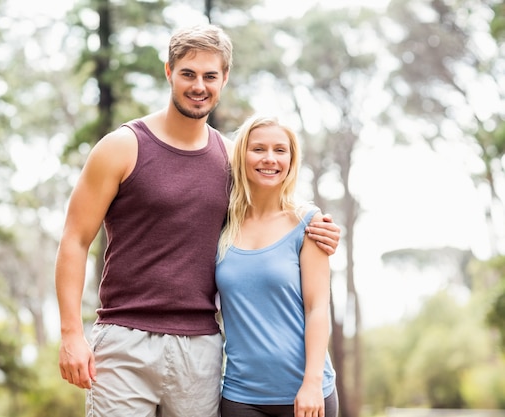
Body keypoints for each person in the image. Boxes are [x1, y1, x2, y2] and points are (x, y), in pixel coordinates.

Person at [54, 24, 341, 417]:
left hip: (202, 349)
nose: (199, 85)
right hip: (125, 340)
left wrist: (317, 226)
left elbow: (270, 205)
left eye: (210, 75)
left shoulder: (229, 158)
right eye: (188, 73)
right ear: (169, 72)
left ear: (224, 79)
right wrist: (71, 333)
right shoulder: (122, 146)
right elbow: (74, 238)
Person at [216, 114, 339, 417]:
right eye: (258, 149)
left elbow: (317, 308)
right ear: (241, 154)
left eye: (280, 150)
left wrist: (311, 383)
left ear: (291, 159)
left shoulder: (308, 223)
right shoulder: (221, 224)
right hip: (240, 396)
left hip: (305, 395)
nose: (269, 159)